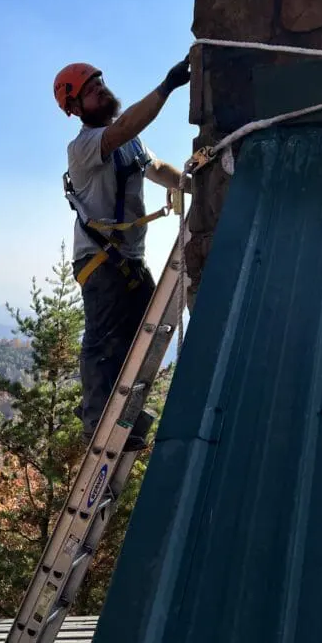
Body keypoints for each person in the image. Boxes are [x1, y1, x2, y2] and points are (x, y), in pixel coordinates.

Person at [54, 58, 190, 451]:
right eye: (90, 89)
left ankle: (126, 420)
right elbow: (124, 128)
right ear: (76, 108)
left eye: (99, 83)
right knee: (103, 341)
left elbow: (157, 167)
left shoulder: (129, 141)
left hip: (127, 259)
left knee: (140, 338)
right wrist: (166, 86)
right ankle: (98, 423)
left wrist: (192, 183)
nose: (100, 89)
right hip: (101, 262)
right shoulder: (83, 146)